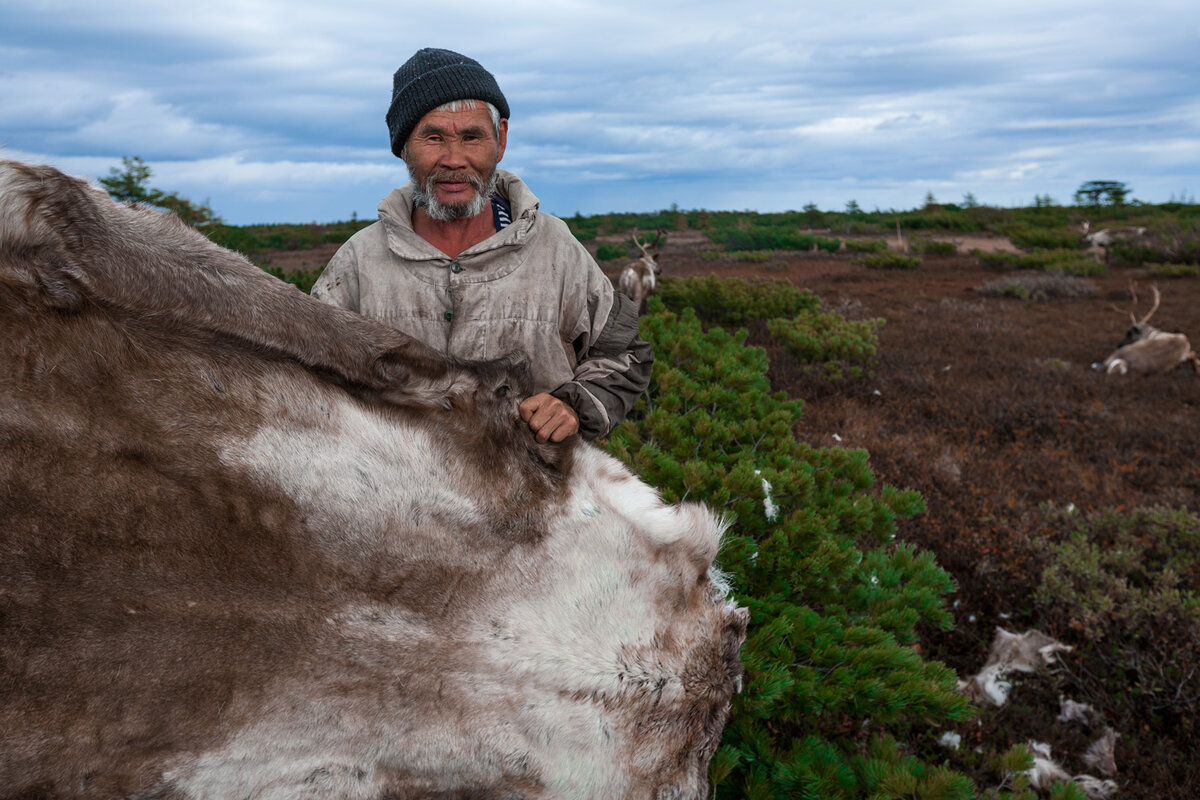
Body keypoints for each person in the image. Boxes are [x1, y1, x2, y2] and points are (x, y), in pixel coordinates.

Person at [312, 47, 652, 444]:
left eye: (471, 137)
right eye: (433, 137)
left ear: (500, 140)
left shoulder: (555, 248)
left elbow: (624, 355)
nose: (454, 159)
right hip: (400, 502)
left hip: (539, 496)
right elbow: (309, 381)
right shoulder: (358, 262)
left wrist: (574, 405)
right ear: (404, 147)